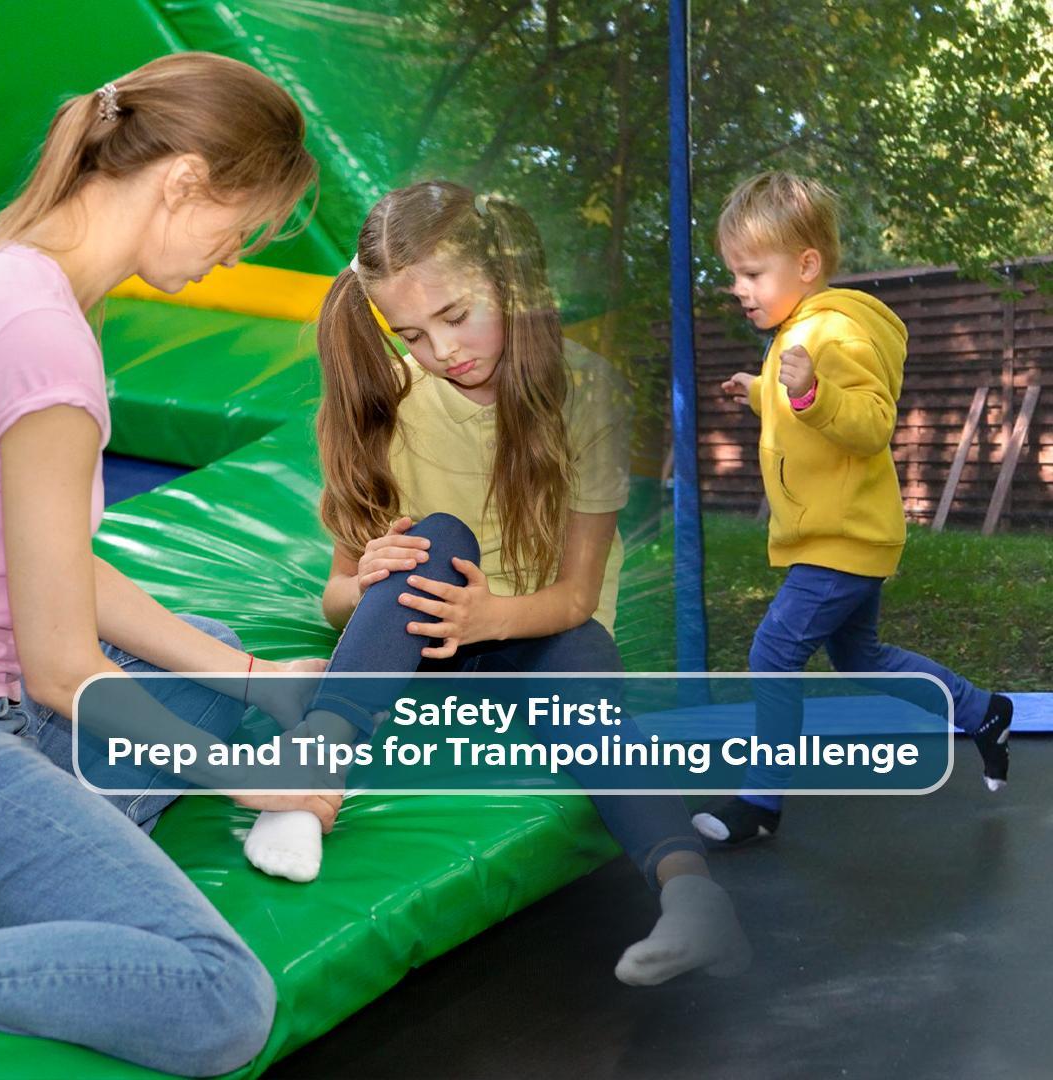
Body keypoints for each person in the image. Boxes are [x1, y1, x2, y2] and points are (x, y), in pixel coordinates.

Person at [242, 179, 751, 986]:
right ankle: (312, 778)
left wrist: (488, 619)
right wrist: (368, 574)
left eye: (455, 316)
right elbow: (337, 598)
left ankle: (690, 896)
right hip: (414, 659)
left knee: (582, 646)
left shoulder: (587, 394)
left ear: (511, 285)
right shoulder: (390, 404)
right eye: (412, 333)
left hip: (538, 645)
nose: (444, 351)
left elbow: (577, 598)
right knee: (436, 536)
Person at [0, 52, 341, 1073]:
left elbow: (49, 566)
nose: (235, 255)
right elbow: (61, 667)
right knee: (215, 996)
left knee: (214, 667)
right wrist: (253, 780)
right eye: (245, 225)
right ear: (182, 180)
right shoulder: (44, 335)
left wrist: (257, 681)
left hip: (2, 698)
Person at [693, 170, 1013, 847]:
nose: (739, 289)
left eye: (752, 273)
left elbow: (868, 425)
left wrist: (809, 393)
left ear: (806, 265)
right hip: (837, 534)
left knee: (773, 651)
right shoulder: (798, 330)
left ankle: (760, 800)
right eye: (734, 274)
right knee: (859, 656)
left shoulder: (833, 332)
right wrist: (760, 391)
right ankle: (983, 711)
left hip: (842, 538)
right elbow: (801, 408)